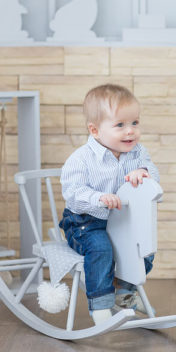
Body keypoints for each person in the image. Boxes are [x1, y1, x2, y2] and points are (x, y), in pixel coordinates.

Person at [59, 84, 159, 325]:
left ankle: (124, 294)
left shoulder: (137, 153)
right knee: (101, 250)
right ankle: (101, 306)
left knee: (144, 249)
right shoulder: (81, 159)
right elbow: (72, 193)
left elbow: (154, 173)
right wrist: (99, 197)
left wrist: (143, 172)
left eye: (135, 123)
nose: (130, 132)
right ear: (95, 130)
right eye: (120, 125)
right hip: (85, 222)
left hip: (120, 221)